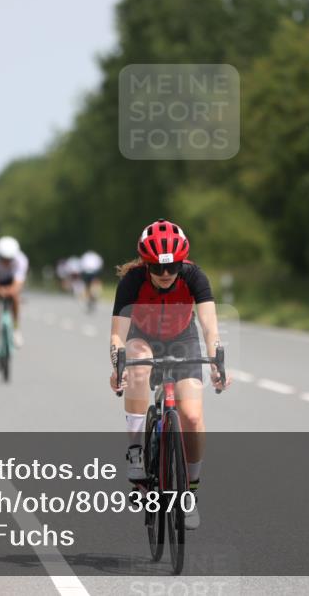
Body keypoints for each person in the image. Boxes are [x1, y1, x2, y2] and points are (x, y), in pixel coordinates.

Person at [109, 219, 230, 531]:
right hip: (142, 338)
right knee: (138, 364)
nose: (165, 274)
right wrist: (118, 366)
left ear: (182, 263)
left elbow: (209, 327)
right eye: (157, 267)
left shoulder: (194, 276)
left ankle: (190, 491)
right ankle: (136, 453)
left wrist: (217, 362)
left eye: (172, 267)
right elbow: (118, 335)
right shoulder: (133, 280)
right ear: (146, 264)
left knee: (191, 416)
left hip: (183, 340)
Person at [0, 236, 28, 368]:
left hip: (10, 281)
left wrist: (10, 291)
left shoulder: (21, 260)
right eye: (3, 259)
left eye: (10, 259)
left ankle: (16, 328)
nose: (7, 262)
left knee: (15, 298)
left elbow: (18, 284)